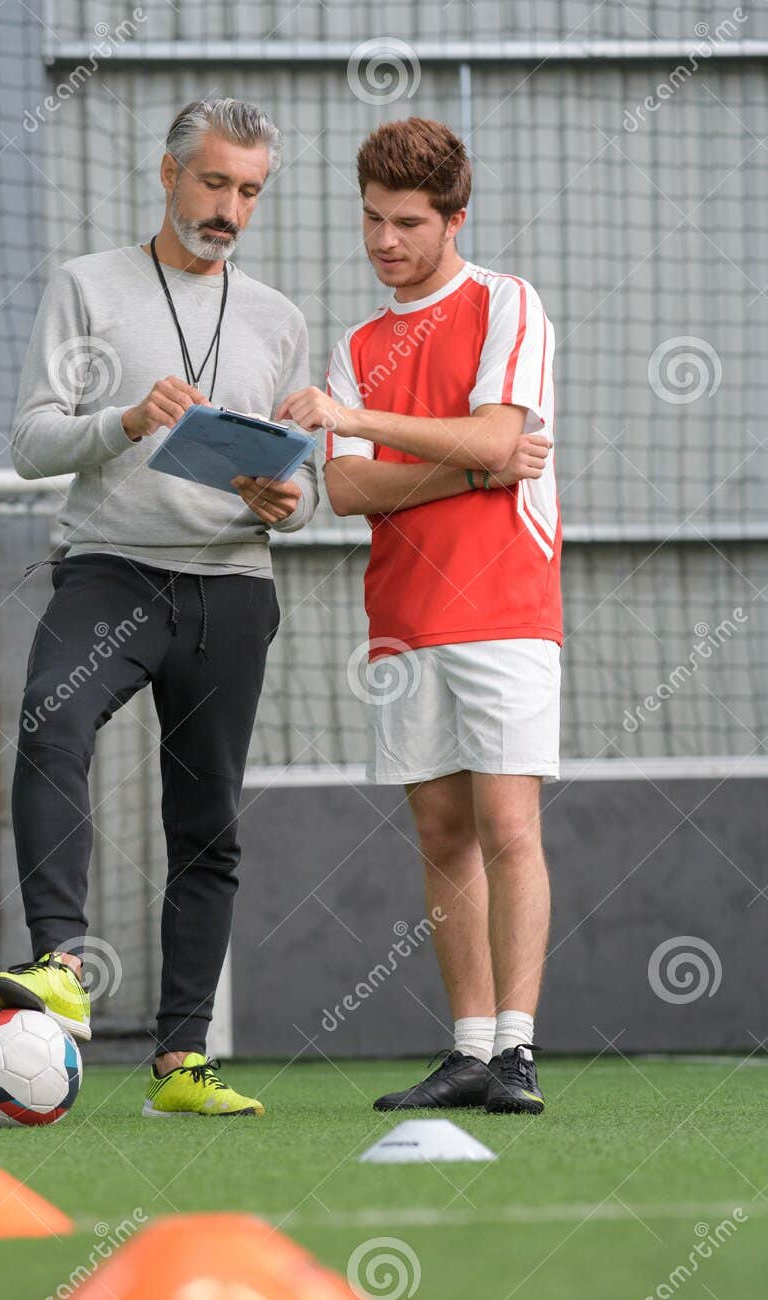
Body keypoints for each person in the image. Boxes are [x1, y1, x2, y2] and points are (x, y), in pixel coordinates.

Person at [0, 98, 318, 1119]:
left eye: (248, 191)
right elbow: (32, 444)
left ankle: (181, 1064)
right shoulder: (86, 285)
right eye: (213, 182)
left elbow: (303, 499)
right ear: (167, 172)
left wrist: (282, 501)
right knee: (51, 716)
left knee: (206, 825)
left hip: (232, 585)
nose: (228, 207)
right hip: (114, 569)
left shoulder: (278, 319)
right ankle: (56, 964)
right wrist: (125, 421)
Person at [278, 117, 560, 1116]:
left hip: (505, 606)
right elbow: (349, 494)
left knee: (507, 827)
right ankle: (469, 1050)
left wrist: (365, 424)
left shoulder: (505, 302)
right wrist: (469, 465)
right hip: (400, 618)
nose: (383, 241)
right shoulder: (357, 342)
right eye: (369, 219)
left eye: (404, 222)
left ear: (452, 218)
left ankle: (518, 1052)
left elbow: (490, 432)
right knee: (439, 832)